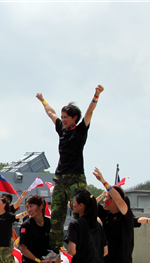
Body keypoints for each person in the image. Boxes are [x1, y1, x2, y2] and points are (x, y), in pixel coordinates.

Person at [36, 85, 105, 252]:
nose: (63, 120)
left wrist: (96, 96)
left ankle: (82, 245)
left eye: (66, 117)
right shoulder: (62, 130)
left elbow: (89, 112)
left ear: (74, 118)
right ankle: (54, 249)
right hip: (60, 179)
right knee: (57, 214)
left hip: (76, 178)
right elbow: (50, 113)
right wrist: (42, 100)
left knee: (79, 213)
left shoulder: (81, 130)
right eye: (62, 117)